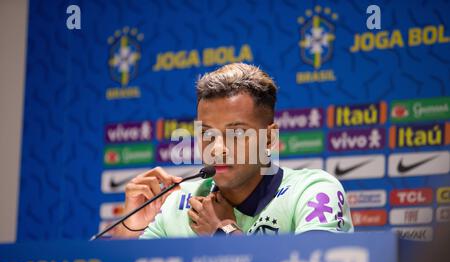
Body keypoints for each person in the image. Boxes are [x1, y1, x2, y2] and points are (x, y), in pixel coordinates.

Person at [112, 63, 354, 239]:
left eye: (237, 133)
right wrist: (130, 226)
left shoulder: (312, 192)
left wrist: (223, 230)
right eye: (207, 133)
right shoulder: (179, 202)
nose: (218, 149)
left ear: (269, 137)